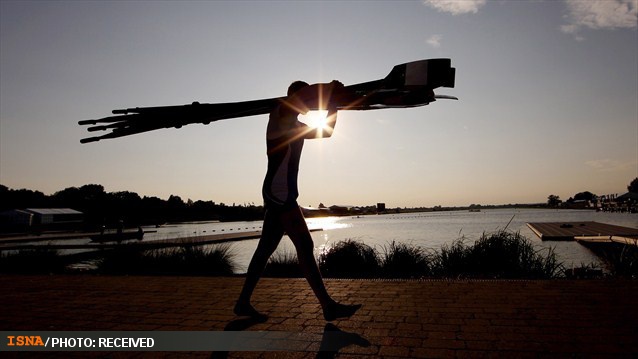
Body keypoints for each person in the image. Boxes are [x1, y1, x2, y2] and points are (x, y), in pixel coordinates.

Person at [234, 80, 361, 321]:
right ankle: (328, 306)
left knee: (264, 251)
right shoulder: (278, 116)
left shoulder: (298, 127)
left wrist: (333, 105)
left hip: (283, 194)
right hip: (279, 193)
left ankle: (242, 303)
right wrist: (329, 87)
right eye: (305, 99)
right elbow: (299, 100)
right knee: (305, 246)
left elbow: (327, 132)